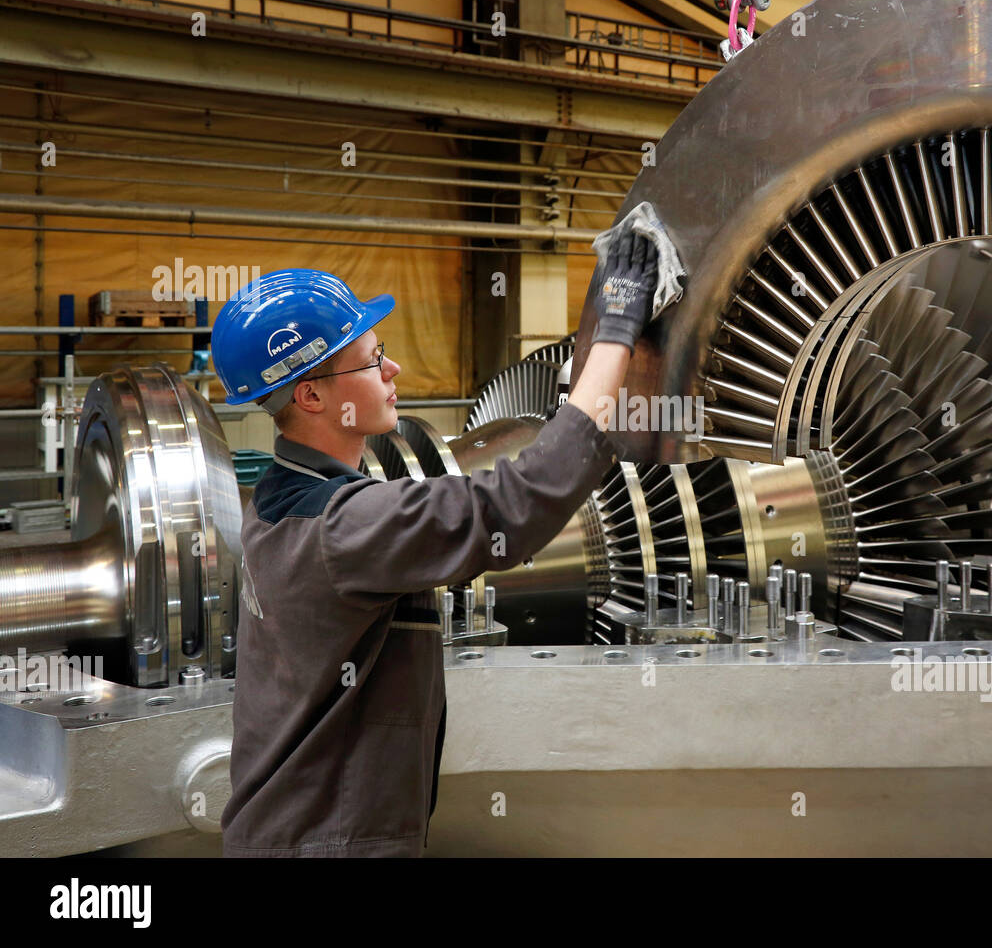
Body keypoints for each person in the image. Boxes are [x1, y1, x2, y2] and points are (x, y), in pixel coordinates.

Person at [210, 232, 658, 857]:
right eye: (370, 361)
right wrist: (615, 333)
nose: (392, 369)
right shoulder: (344, 529)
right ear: (311, 396)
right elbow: (511, 505)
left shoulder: (276, 498)